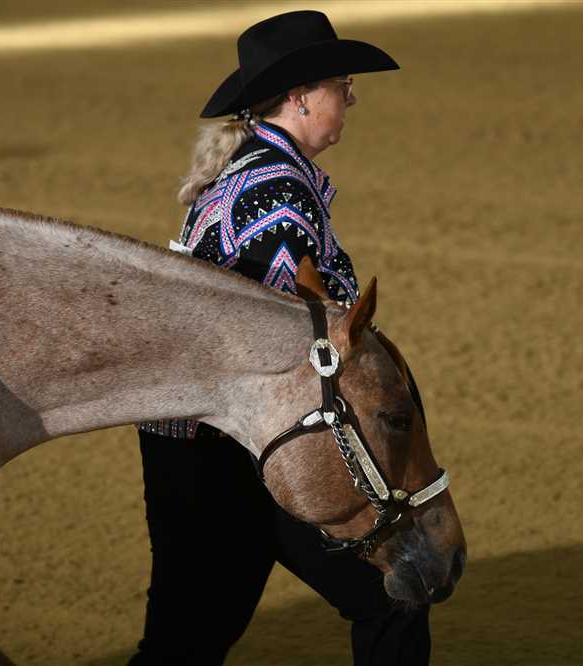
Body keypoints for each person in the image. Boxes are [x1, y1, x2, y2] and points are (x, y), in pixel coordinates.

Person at [130, 11, 430, 666]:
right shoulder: (277, 194)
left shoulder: (255, 175)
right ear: (299, 98)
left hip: (212, 446)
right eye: (342, 85)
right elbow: (316, 332)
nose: (351, 97)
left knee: (185, 646)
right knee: (391, 597)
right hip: (230, 460)